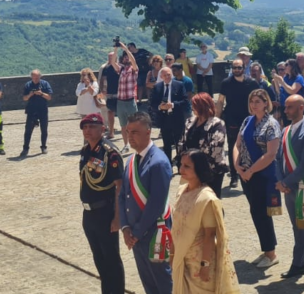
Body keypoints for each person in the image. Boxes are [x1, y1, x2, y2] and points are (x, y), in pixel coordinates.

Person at [172, 150, 242, 293]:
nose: (181, 169)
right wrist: (172, 255)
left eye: (187, 166)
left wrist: (205, 266)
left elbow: (210, 235)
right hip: (182, 258)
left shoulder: (206, 199)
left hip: (198, 262)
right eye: (181, 165)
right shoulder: (182, 191)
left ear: (198, 169)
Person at [120, 112, 174, 294]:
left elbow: (156, 204)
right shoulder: (131, 160)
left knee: (163, 281)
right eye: (128, 132)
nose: (130, 136)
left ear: (148, 132)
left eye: (135, 132)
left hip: (154, 233)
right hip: (136, 232)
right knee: (147, 281)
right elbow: (122, 195)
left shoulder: (158, 162)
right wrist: (125, 227)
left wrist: (135, 232)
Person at [233, 89, 283, 270]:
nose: (254, 104)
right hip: (246, 174)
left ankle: (271, 253)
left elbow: (271, 154)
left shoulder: (271, 124)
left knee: (262, 214)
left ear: (265, 103)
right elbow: (237, 144)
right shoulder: (247, 121)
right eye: (252, 101)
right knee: (255, 212)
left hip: (261, 175)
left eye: (258, 101)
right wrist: (237, 165)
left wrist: (251, 171)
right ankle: (266, 249)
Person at [78, 113, 125, 294]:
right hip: (89, 214)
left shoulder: (109, 153)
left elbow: (119, 188)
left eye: (92, 127)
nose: (87, 131)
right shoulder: (86, 151)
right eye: (85, 127)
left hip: (105, 213)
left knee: (111, 259)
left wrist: (117, 218)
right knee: (99, 259)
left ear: (102, 129)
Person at [275, 95, 304, 280]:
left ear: (301, 107)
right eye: (285, 107)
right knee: (296, 228)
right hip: (289, 188)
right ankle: (299, 264)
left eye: (289, 107)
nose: (285, 111)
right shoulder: (285, 130)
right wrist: (280, 181)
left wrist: (285, 182)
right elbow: (278, 159)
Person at [178, 93, 229, 197]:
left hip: (211, 170)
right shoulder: (189, 121)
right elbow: (182, 141)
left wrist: (196, 162)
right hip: (191, 169)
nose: (192, 108)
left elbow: (215, 148)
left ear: (203, 106)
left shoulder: (217, 124)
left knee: (210, 200)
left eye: (195, 105)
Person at [219, 59, 258, 190]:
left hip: (249, 119)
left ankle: (250, 171)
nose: (237, 70)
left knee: (251, 145)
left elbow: (257, 100)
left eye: (239, 67)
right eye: (234, 67)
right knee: (232, 146)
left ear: (243, 67)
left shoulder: (251, 83)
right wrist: (216, 118)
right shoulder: (226, 83)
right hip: (231, 119)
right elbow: (220, 101)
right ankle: (234, 176)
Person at [151, 67, 189, 165]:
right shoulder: (157, 87)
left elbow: (185, 101)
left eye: (169, 74)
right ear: (161, 76)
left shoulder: (179, 85)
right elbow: (152, 103)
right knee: (166, 144)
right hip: (164, 119)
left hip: (177, 118)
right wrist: (160, 107)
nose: (167, 77)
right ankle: (168, 166)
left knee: (179, 143)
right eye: (165, 75)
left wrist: (172, 105)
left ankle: (180, 165)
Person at [115, 44, 141, 153]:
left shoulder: (134, 70)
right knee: (123, 125)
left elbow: (133, 61)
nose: (126, 58)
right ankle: (126, 145)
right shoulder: (120, 69)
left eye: (127, 56)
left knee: (134, 124)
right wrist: (115, 48)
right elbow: (112, 62)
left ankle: (137, 144)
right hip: (120, 102)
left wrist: (125, 49)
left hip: (130, 101)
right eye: (124, 56)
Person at [21, 69, 53, 156]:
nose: (35, 79)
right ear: (31, 77)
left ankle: (43, 147)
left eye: (37, 77)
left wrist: (41, 93)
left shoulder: (45, 84)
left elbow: (49, 97)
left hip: (42, 109)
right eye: (34, 77)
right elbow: (24, 98)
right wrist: (30, 95)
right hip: (31, 110)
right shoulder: (28, 85)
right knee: (28, 130)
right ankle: (25, 148)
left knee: (44, 129)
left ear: (40, 76)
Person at [272, 59, 304, 127]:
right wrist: (276, 79)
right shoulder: (286, 77)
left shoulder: (299, 77)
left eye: (286, 65)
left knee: (294, 125)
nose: (284, 66)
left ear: (292, 66)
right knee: (286, 126)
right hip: (284, 106)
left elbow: (292, 91)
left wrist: (281, 81)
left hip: (294, 106)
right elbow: (279, 91)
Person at [100, 52, 122, 139]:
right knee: (110, 112)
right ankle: (111, 132)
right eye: (109, 57)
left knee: (122, 113)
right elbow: (103, 79)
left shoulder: (120, 67)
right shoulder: (106, 68)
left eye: (112, 57)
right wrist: (103, 89)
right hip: (110, 93)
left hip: (120, 93)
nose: (110, 59)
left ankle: (125, 130)